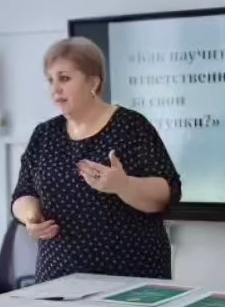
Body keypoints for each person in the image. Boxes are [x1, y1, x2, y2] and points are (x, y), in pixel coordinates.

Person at [10, 37, 182, 284]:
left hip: (129, 276)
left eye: (64, 78)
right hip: (58, 278)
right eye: (51, 80)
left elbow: (168, 192)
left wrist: (123, 185)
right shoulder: (44, 134)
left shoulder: (131, 126)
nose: (55, 88)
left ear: (93, 82)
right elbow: (23, 193)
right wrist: (30, 217)